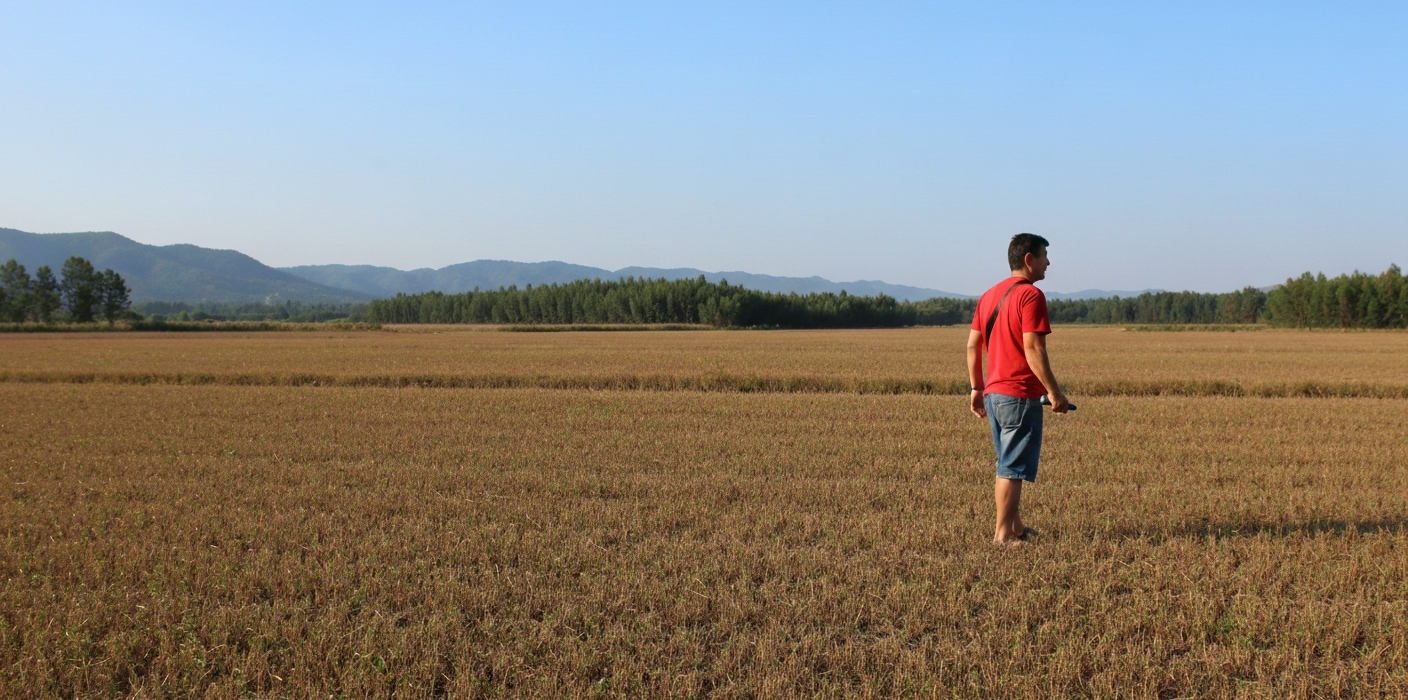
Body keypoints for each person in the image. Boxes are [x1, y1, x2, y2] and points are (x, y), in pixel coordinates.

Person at [966, 233, 1068, 546]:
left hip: (994, 394)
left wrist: (976, 388)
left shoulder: (988, 296)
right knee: (1011, 467)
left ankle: (1016, 527)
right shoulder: (1031, 297)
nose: (1048, 262)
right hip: (1019, 394)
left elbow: (972, 345)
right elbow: (1033, 348)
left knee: (1007, 462)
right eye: (1044, 256)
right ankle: (1003, 536)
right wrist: (1054, 392)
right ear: (1028, 259)